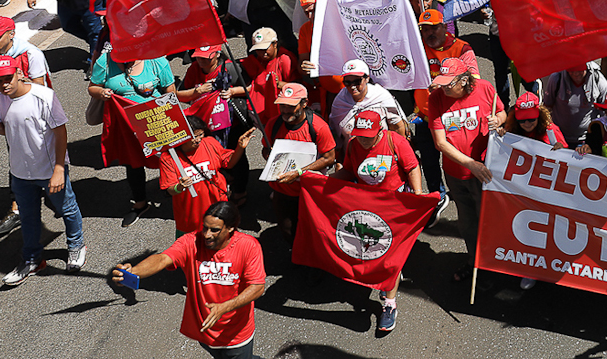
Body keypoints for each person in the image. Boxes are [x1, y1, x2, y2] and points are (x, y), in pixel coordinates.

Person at [112, 202, 266, 359]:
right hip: (205, 332)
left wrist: (225, 307)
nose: (206, 234)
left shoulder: (248, 246)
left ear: (231, 228)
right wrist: (134, 271)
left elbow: (258, 286)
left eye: (215, 230)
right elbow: (162, 259)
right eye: (205, 227)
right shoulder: (191, 242)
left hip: (236, 336)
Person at [0, 55, 87, 285]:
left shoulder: (44, 96)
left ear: (19, 73)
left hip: (49, 170)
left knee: (66, 208)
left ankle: (76, 245)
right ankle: (32, 260)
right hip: (20, 173)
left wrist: (59, 169)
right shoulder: (1, 98)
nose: (4, 84)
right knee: (29, 218)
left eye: (7, 78)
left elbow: (60, 131)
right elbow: (8, 131)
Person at [336, 108, 425, 333]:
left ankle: (389, 305)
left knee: (389, 258)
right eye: (360, 135)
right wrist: (318, 180)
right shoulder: (354, 145)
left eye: (368, 137)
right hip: (368, 208)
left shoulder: (395, 142)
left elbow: (412, 167)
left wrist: (417, 194)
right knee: (376, 251)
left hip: (395, 205)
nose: (364, 141)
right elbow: (347, 172)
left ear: (379, 132)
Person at [429, 57, 505, 276]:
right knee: (467, 223)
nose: (443, 88)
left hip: (485, 171)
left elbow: (502, 113)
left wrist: (498, 121)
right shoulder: (436, 98)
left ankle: (495, 262)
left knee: (489, 220)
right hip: (456, 173)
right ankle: (474, 263)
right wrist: (470, 164)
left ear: (464, 80)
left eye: (449, 83)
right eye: (441, 82)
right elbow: (440, 143)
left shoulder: (485, 88)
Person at [88, 46, 178, 224]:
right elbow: (93, 87)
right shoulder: (104, 62)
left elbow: (170, 90)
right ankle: (140, 203)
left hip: (155, 120)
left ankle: (175, 193)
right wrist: (102, 93)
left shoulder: (155, 59)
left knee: (168, 159)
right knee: (132, 163)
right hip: (125, 125)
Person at [261, 85, 337, 240]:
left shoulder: (319, 127)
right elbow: (264, 149)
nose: (286, 110)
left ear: (304, 103)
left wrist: (299, 172)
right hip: (282, 192)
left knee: (314, 230)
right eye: (283, 105)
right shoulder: (273, 124)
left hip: (309, 192)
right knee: (288, 231)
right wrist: (269, 157)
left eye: (291, 106)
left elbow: (329, 158)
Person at [160, 118, 257, 236]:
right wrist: (179, 187)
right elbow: (170, 189)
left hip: (218, 206)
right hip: (191, 216)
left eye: (201, 134)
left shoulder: (210, 142)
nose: (199, 139)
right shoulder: (169, 158)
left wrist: (240, 148)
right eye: (194, 137)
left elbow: (229, 163)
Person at [541, 62, 607, 148]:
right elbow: (547, 107)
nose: (576, 74)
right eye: (572, 71)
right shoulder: (556, 78)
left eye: (580, 70)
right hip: (559, 138)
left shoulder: (598, 80)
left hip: (586, 140)